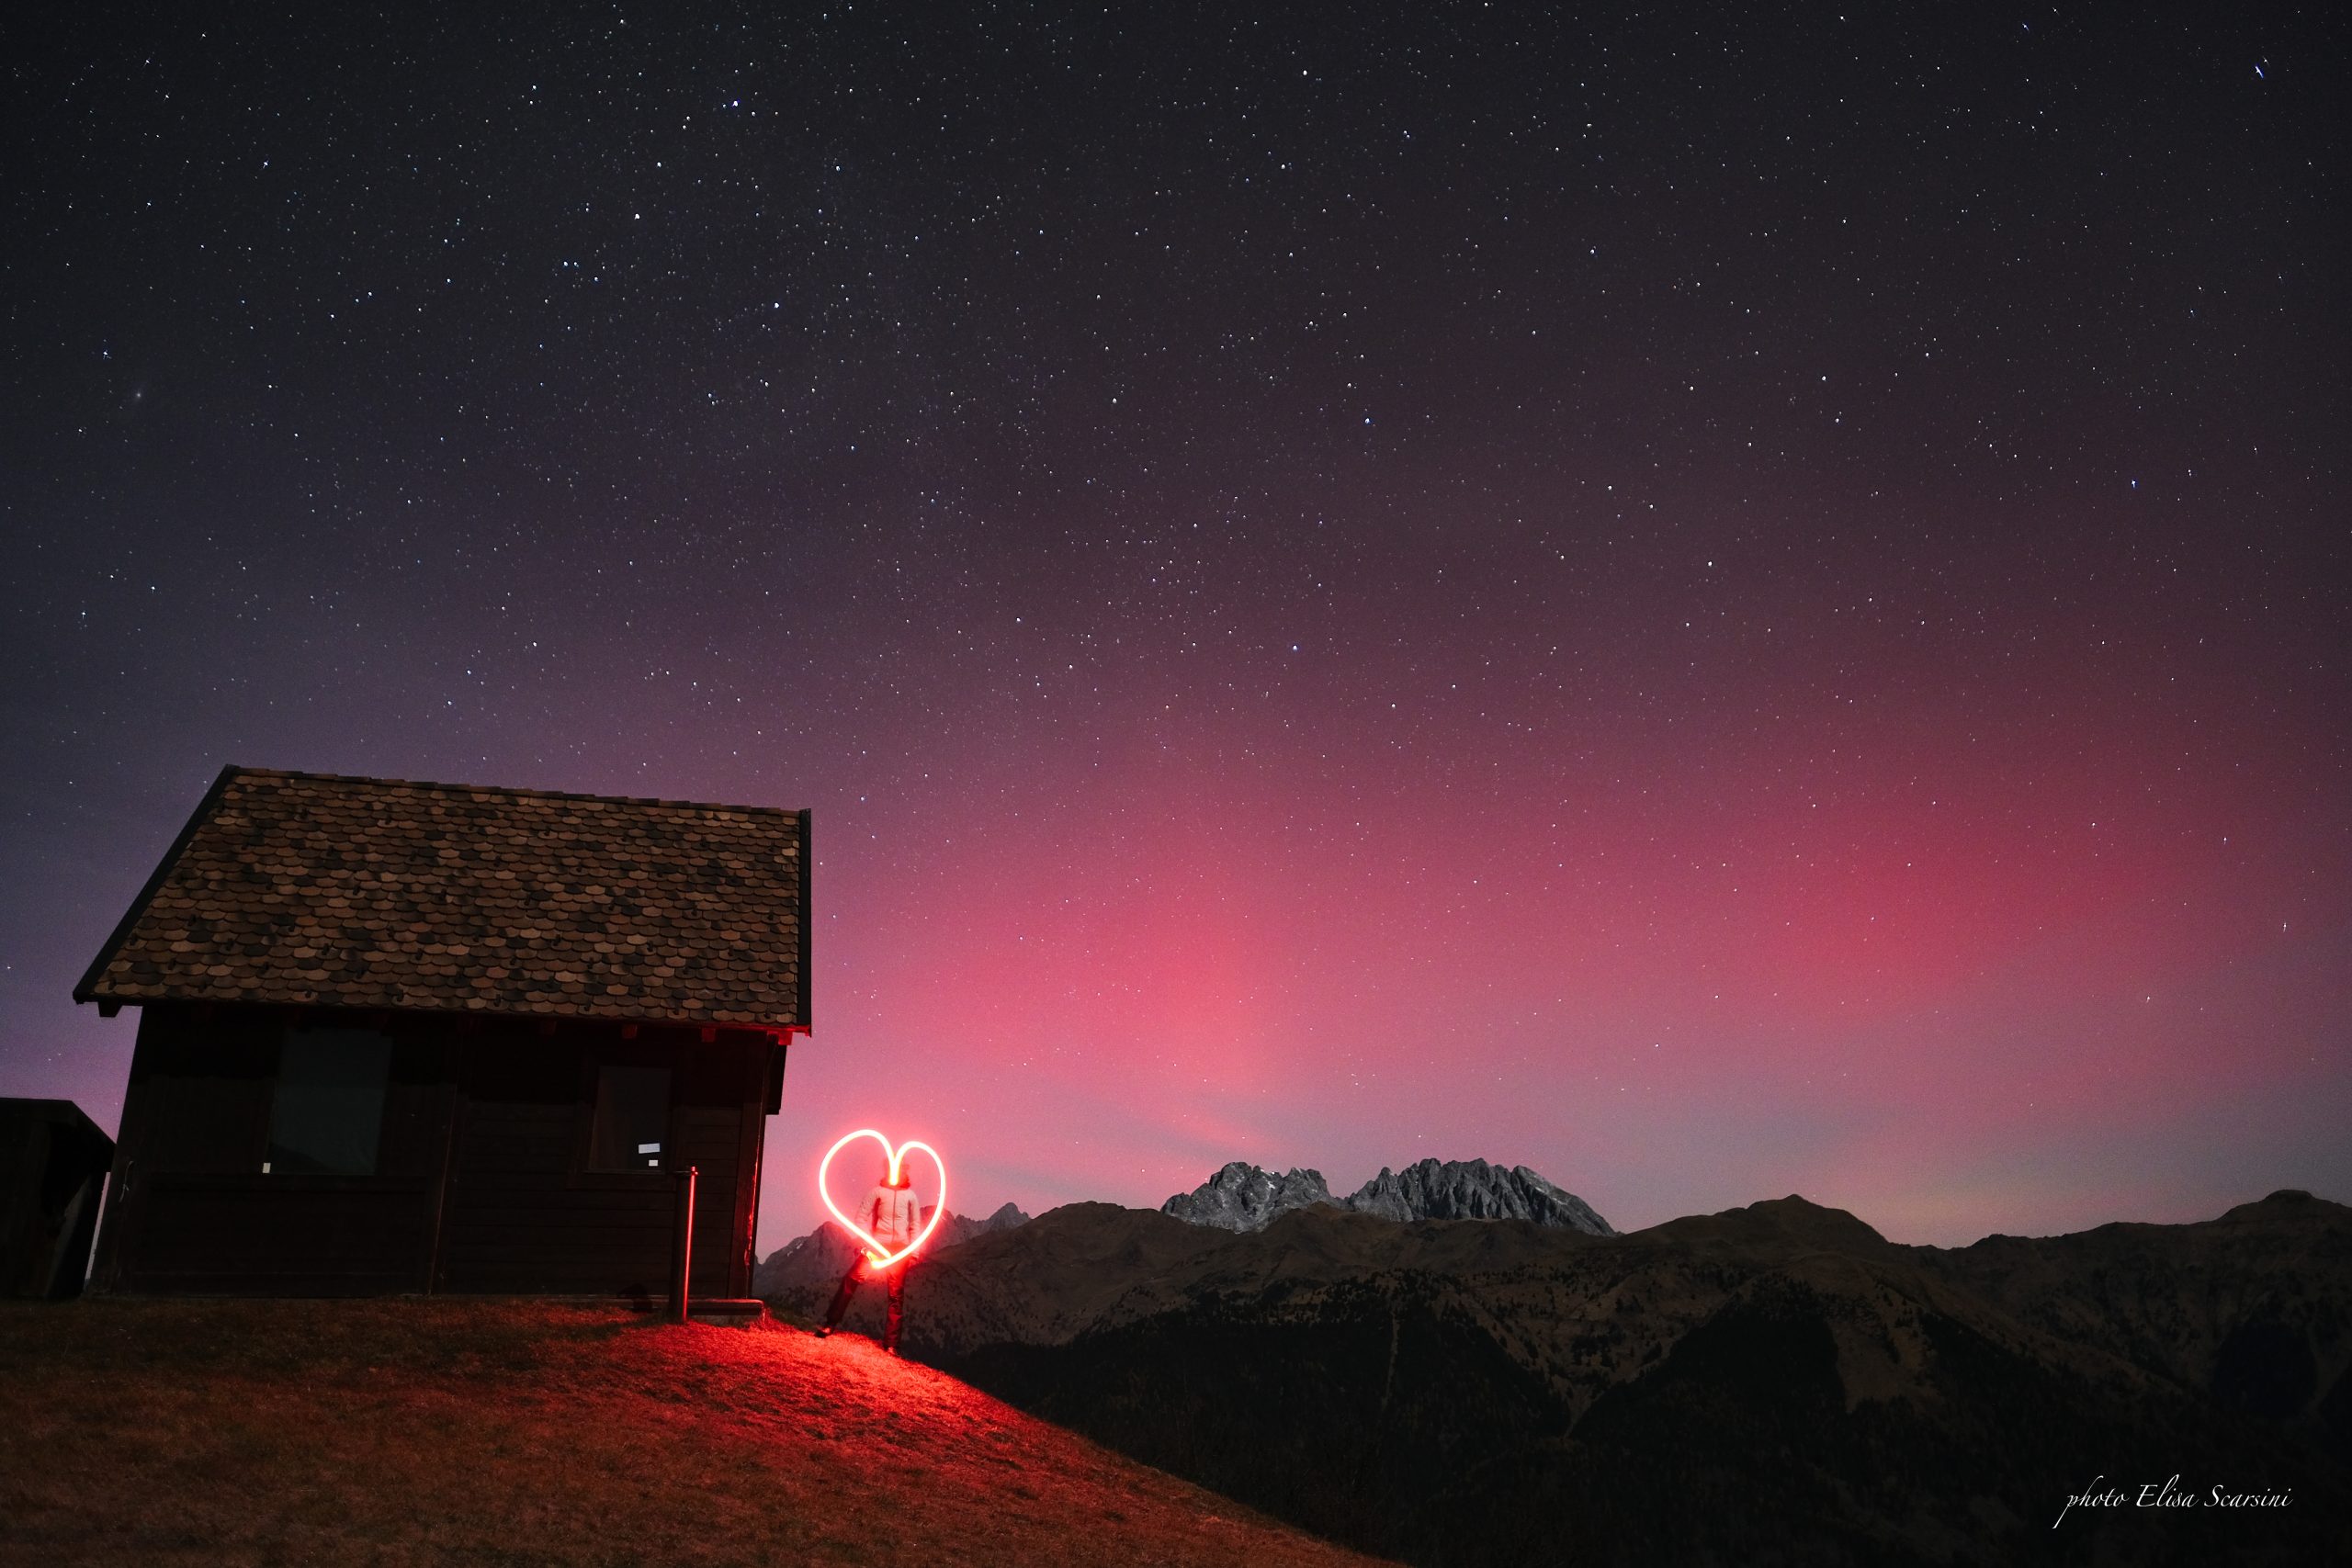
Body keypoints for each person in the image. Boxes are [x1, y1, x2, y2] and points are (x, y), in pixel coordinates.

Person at [816, 1161, 922, 1352]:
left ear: (905, 1172)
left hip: (900, 1250)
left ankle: (891, 1345)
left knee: (896, 1296)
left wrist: (913, 1252)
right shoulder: (877, 1192)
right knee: (850, 1280)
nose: (897, 1172)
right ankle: (830, 1324)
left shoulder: (910, 1196)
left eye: (902, 1169)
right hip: (876, 1246)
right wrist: (869, 1243)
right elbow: (861, 1218)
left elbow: (915, 1224)